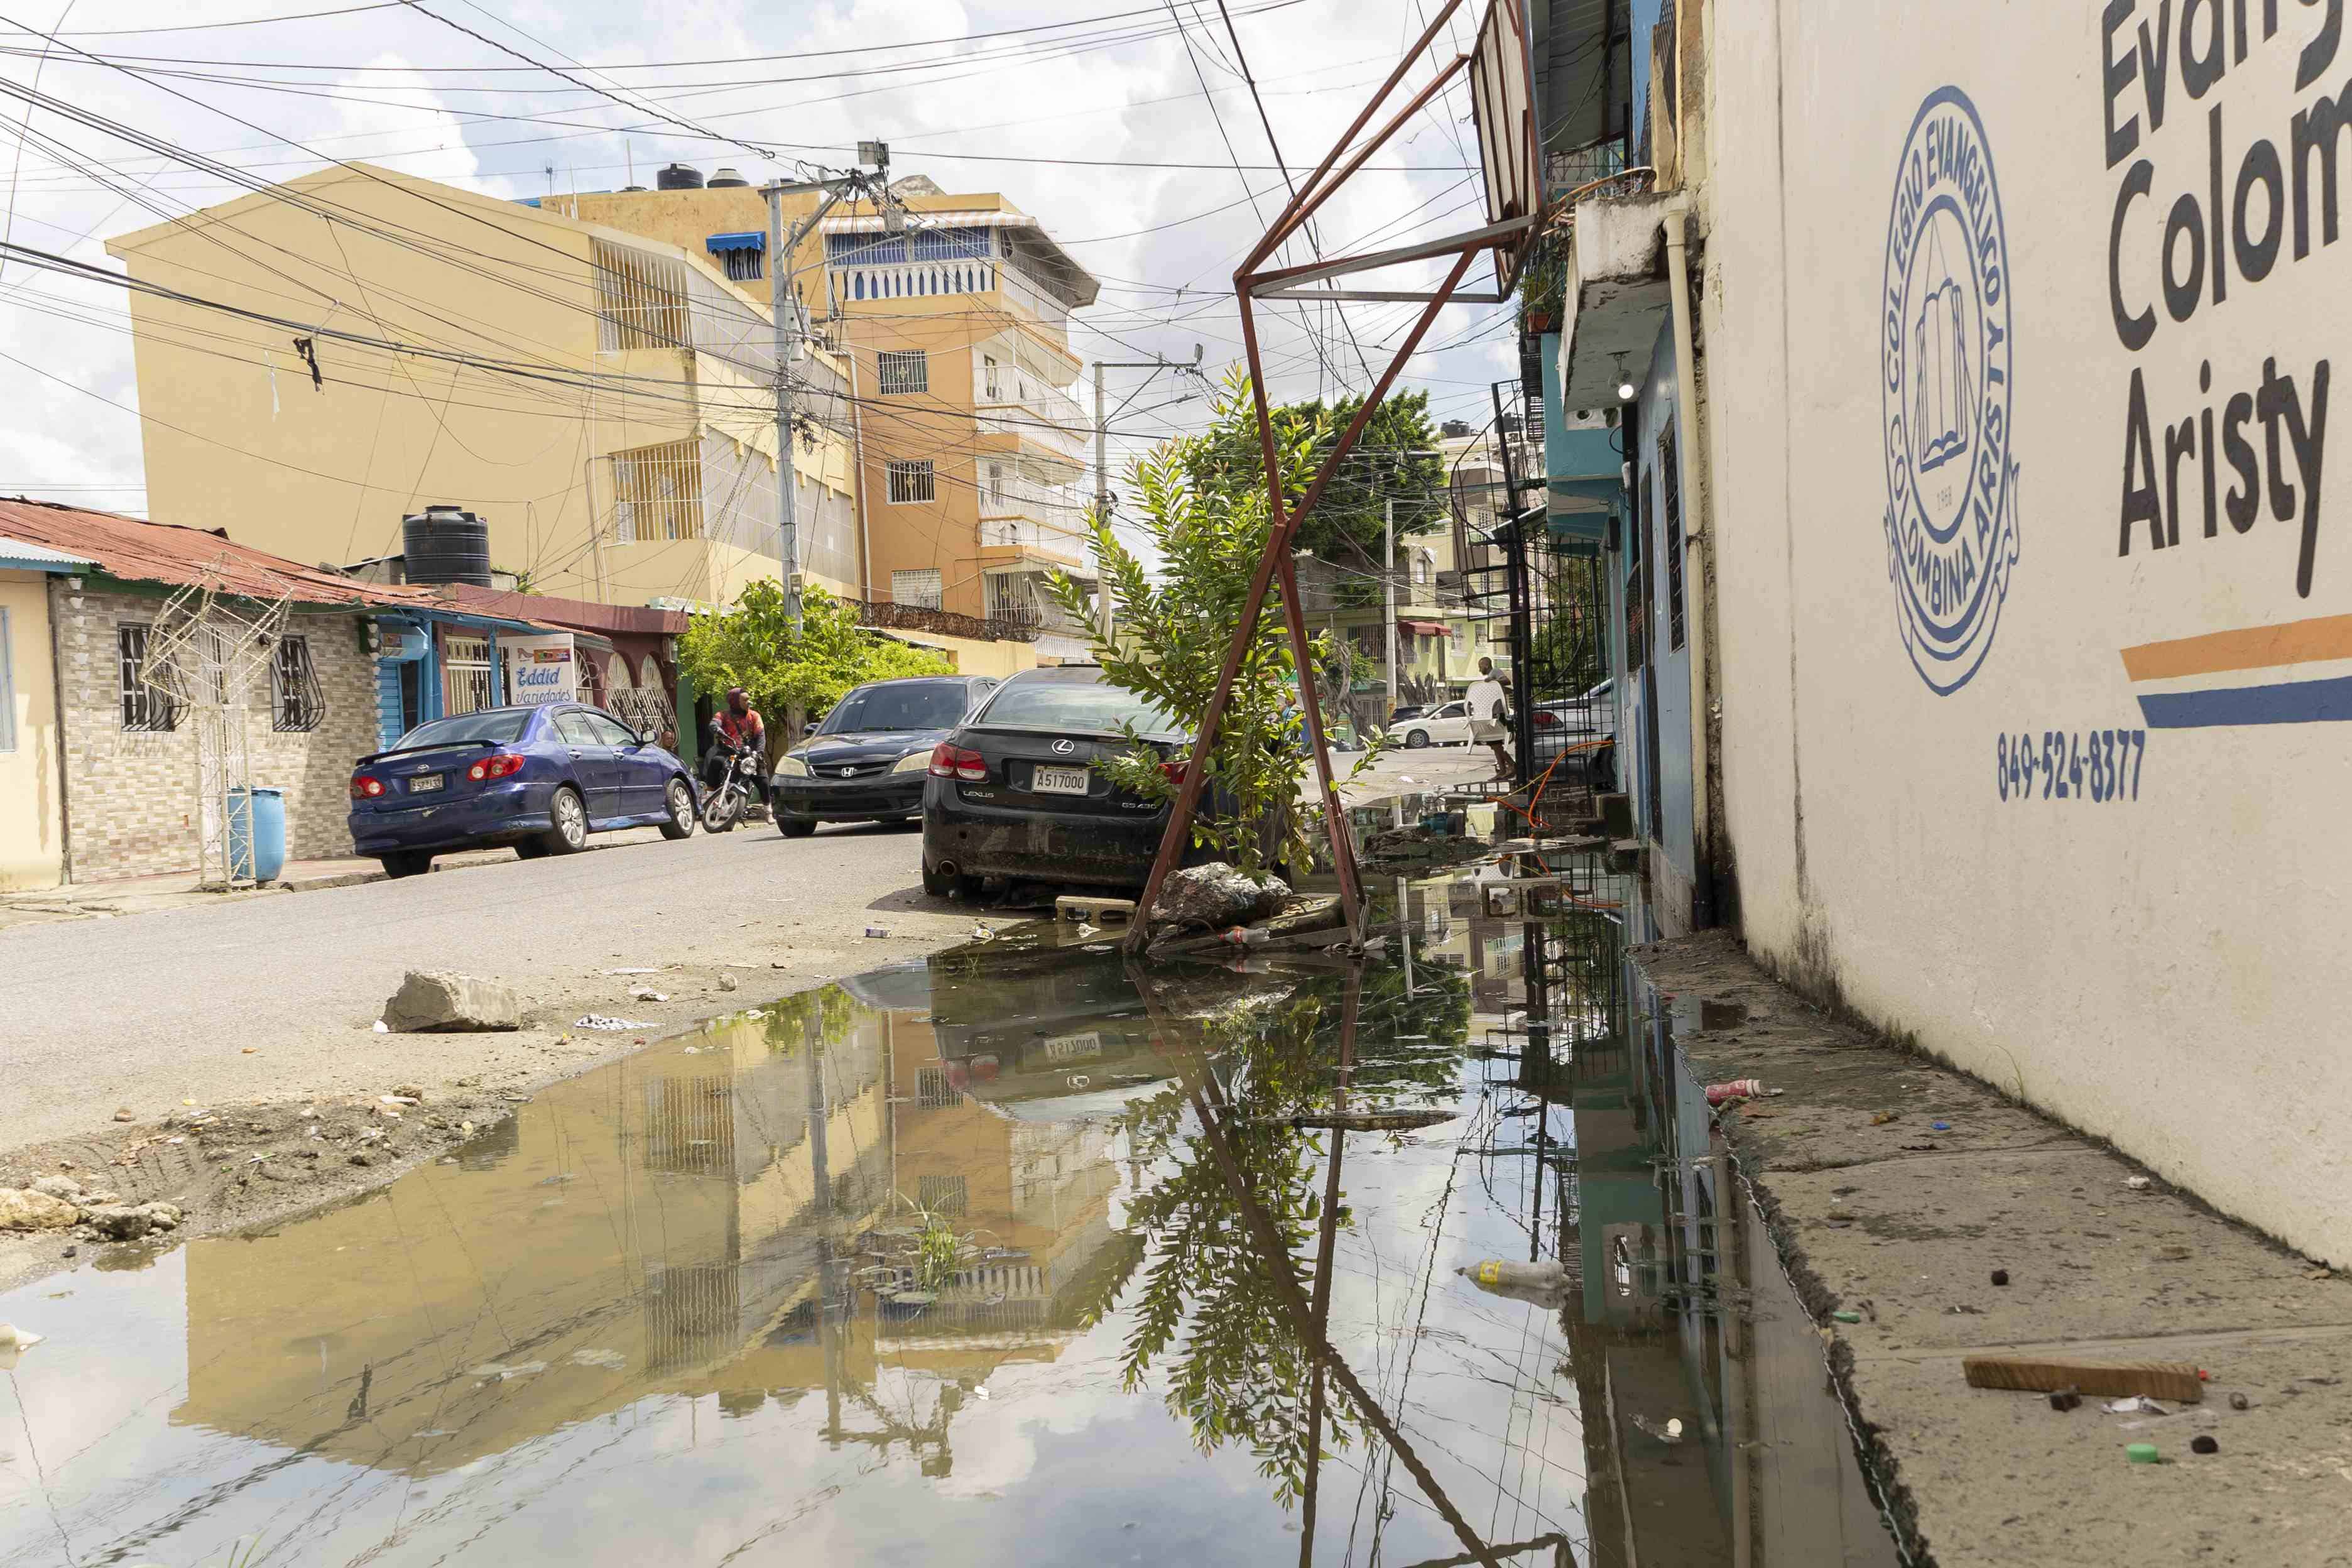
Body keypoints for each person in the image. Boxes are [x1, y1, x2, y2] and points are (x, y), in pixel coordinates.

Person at [705, 687, 768, 800]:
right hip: (730, 753)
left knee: (763, 781)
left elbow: (761, 736)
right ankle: (709, 798)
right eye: (745, 700)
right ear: (735, 701)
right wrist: (717, 729)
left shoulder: (754, 716)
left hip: (750, 754)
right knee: (715, 761)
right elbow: (714, 724)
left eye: (749, 699)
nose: (749, 702)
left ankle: (768, 811)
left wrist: (759, 754)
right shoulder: (723, 715)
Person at [1465, 656, 1511, 776]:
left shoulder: (1495, 672)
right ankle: (1503, 770)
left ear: (1486, 665)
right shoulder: (1489, 677)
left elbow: (1507, 681)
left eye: (1480, 667)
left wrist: (1493, 681)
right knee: (1494, 744)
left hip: (1498, 712)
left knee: (1496, 743)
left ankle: (1511, 766)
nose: (1480, 670)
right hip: (1491, 713)